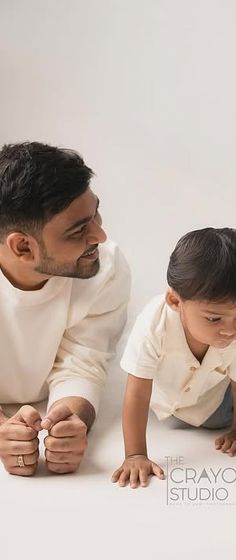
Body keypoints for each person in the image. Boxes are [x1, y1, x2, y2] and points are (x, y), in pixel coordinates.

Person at [0, 142, 130, 477]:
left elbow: (85, 360)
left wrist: (72, 418)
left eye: (95, 213)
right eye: (78, 230)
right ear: (23, 246)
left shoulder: (107, 266)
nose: (100, 235)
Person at [112, 227, 236, 489]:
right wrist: (135, 455)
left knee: (223, 413)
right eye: (214, 318)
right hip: (162, 400)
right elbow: (137, 392)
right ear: (174, 300)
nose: (230, 329)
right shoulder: (153, 323)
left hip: (214, 405)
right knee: (140, 390)